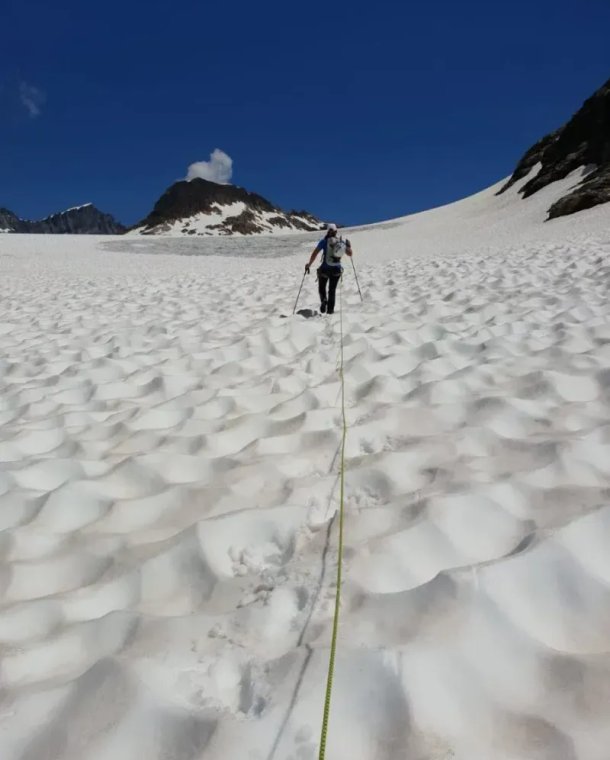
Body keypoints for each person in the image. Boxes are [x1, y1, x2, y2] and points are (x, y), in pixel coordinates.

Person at [305, 224, 353, 314]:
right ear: (336, 231)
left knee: (322, 287)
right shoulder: (341, 242)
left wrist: (309, 264)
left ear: (328, 231)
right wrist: (348, 246)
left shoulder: (324, 241)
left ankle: (324, 300)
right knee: (332, 290)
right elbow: (350, 254)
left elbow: (315, 254)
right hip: (337, 270)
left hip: (325, 269)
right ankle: (330, 311)